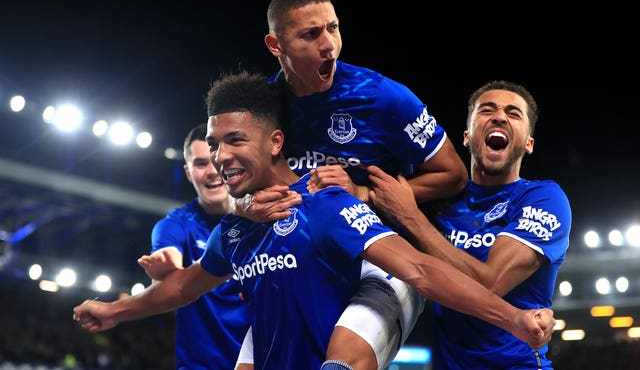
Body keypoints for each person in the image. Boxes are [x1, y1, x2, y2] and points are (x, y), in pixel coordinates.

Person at [73, 71, 556, 370]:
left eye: (235, 141)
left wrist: (513, 318)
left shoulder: (325, 204)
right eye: (215, 146)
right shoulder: (238, 228)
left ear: (276, 142)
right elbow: (184, 287)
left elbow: (420, 270)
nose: (221, 157)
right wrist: (114, 312)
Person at [233, 0, 469, 370]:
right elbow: (235, 184)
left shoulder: (382, 97)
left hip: (385, 257)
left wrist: (364, 192)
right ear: (276, 45)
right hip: (304, 258)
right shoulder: (262, 108)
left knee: (342, 365)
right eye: (311, 34)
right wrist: (243, 204)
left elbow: (453, 175)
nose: (329, 45)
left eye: (333, 28)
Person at [365, 80, 572, 369]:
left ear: (529, 143)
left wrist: (411, 217)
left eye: (514, 113)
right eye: (487, 110)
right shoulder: (440, 202)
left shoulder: (542, 198)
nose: (499, 116)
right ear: (466, 136)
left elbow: (491, 284)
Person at [141, 123, 250, 369]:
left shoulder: (264, 216)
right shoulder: (175, 225)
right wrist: (166, 269)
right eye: (201, 164)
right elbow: (167, 253)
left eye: (215, 160)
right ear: (188, 172)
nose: (212, 171)